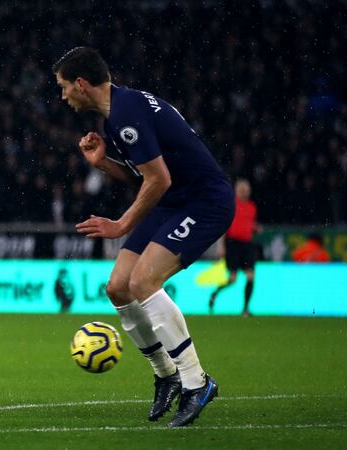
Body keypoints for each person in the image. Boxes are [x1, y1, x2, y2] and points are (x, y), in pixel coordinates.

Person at [53, 47, 235, 428]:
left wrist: (120, 226)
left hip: (204, 201)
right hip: (173, 202)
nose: (63, 95)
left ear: (82, 84)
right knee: (118, 287)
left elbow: (159, 179)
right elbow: (145, 177)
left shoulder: (125, 116)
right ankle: (166, 374)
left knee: (143, 280)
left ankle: (196, 381)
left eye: (64, 87)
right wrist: (102, 162)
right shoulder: (117, 114)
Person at [209, 179, 260, 316]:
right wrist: (221, 246)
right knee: (233, 278)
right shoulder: (231, 205)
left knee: (250, 276)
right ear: (236, 191)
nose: (244, 191)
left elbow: (249, 224)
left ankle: (245, 309)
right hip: (233, 244)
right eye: (241, 189)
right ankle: (215, 293)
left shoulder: (252, 207)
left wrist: (255, 228)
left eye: (246, 189)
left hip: (247, 245)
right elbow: (224, 226)